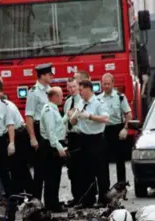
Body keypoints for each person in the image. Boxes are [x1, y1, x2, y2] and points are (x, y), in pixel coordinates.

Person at [0, 76, 33, 196]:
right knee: (15, 168)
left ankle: (27, 194)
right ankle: (17, 194)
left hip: (18, 135)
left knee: (19, 168)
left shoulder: (5, 105)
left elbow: (10, 125)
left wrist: (11, 142)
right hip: (13, 134)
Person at [69, 81, 110, 208]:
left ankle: (103, 199)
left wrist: (90, 116)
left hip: (96, 139)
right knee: (86, 172)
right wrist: (74, 118)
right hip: (83, 138)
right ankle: (88, 199)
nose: (79, 92)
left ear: (88, 89)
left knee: (100, 171)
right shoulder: (81, 103)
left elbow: (105, 118)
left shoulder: (98, 102)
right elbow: (75, 122)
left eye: (81, 89)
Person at [25, 63, 53, 199]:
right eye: (49, 74)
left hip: (49, 130)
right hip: (38, 129)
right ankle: (36, 200)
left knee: (49, 167)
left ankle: (49, 201)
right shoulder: (34, 92)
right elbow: (29, 116)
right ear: (42, 76)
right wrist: (32, 137)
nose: (51, 76)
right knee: (39, 168)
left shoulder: (50, 90)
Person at [99, 73, 132, 184]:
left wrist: (125, 128)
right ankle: (105, 187)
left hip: (118, 129)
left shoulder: (120, 97)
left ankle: (121, 185)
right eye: (104, 84)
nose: (106, 86)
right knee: (103, 160)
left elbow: (128, 114)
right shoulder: (98, 99)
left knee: (120, 160)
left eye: (108, 84)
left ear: (113, 83)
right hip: (104, 130)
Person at [40, 87, 67, 212]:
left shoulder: (53, 109)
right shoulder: (49, 110)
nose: (62, 98)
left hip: (53, 144)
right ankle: (52, 205)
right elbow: (51, 132)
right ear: (54, 97)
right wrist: (58, 146)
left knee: (55, 176)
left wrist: (67, 116)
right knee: (52, 176)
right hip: (51, 146)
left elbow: (58, 125)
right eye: (60, 95)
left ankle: (53, 202)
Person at [63, 78, 82, 206]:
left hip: (80, 135)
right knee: (72, 170)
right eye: (69, 87)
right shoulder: (68, 102)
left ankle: (82, 197)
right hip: (70, 137)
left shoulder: (82, 101)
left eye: (74, 86)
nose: (71, 89)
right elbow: (65, 121)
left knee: (81, 169)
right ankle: (75, 197)